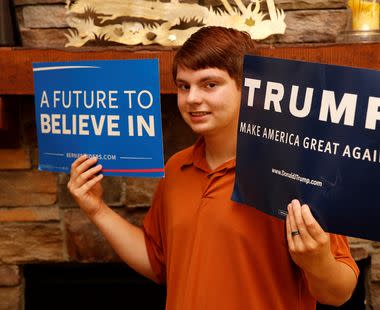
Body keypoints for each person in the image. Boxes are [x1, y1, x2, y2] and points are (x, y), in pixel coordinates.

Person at [68, 26, 359, 309]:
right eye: (184, 86)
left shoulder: (297, 172)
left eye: (210, 84)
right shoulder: (176, 168)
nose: (192, 98)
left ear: (248, 87)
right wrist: (97, 209)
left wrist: (318, 261)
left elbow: (339, 293)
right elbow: (159, 263)